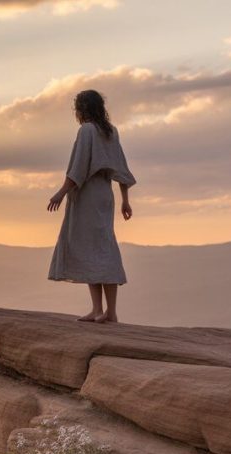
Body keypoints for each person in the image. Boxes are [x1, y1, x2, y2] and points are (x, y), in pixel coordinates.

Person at [47, 90, 136, 323]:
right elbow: (121, 169)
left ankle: (101, 310)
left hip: (88, 194)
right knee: (102, 248)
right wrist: (125, 200)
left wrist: (61, 192)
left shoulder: (86, 130)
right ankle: (107, 311)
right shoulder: (111, 131)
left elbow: (78, 168)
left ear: (82, 108)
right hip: (105, 194)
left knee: (92, 249)